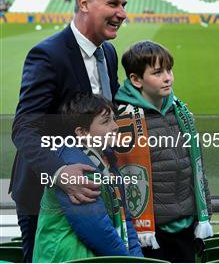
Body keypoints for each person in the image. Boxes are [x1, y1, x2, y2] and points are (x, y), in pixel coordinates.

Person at [10, 0, 127, 262]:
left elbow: (104, 120)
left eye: (123, 5)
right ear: (84, 3)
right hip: (46, 199)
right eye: (113, 4)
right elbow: (24, 128)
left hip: (95, 194)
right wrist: (61, 173)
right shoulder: (48, 55)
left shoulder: (109, 54)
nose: (122, 13)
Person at [114, 41, 213, 262]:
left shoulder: (181, 112)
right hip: (149, 234)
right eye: (157, 72)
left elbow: (196, 167)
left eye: (169, 70)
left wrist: (204, 214)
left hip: (187, 227)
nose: (167, 77)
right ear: (136, 80)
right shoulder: (120, 119)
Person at [33, 93, 143, 262]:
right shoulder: (76, 168)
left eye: (114, 119)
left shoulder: (105, 158)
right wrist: (128, 261)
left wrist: (138, 259)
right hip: (67, 257)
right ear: (82, 132)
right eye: (106, 121)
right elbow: (96, 231)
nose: (115, 126)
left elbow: (125, 217)